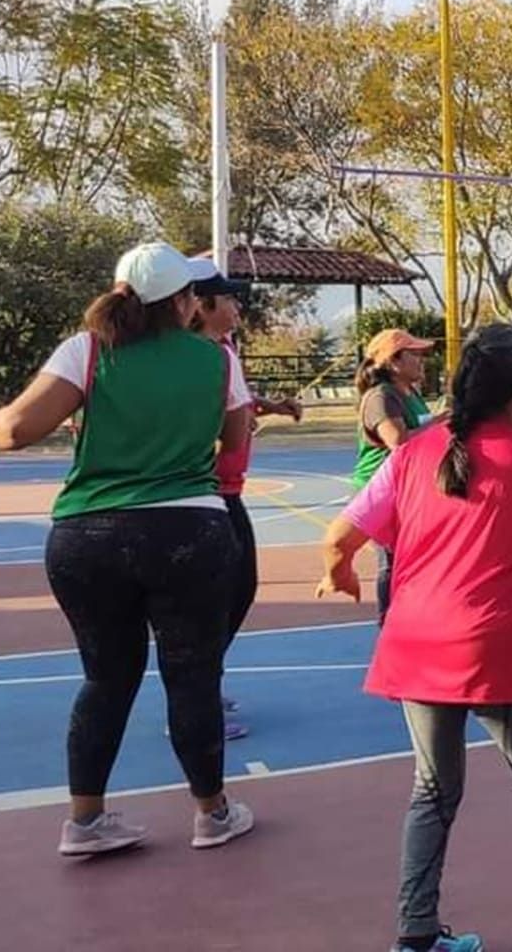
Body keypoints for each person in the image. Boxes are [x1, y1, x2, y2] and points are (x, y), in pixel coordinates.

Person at [315, 323, 512, 952]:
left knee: (432, 790)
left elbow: (339, 536)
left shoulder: (414, 452)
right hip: (496, 642)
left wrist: (338, 571)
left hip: (416, 641)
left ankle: (417, 935)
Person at [0, 242, 256, 856]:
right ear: (185, 303)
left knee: (105, 679)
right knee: (192, 676)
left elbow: (15, 429)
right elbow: (234, 438)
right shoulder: (215, 360)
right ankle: (211, 812)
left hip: (88, 535)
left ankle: (84, 821)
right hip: (188, 529)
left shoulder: (87, 352)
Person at [188, 259, 303, 741]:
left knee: (237, 590)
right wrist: (230, 426)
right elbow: (213, 425)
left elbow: (235, 408)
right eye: (229, 298)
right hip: (204, 493)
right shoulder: (194, 356)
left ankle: (203, 685)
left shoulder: (223, 349)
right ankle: (196, 696)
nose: (238, 306)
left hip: (225, 490)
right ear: (199, 303)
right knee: (218, 597)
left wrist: (267, 407)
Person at [352, 327, 441, 620]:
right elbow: (399, 442)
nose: (421, 360)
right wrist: (440, 422)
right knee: (392, 559)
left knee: (416, 556)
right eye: (414, 354)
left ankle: (412, 615)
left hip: (407, 488)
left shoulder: (409, 392)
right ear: (393, 362)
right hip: (379, 489)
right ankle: (389, 621)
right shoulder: (381, 397)